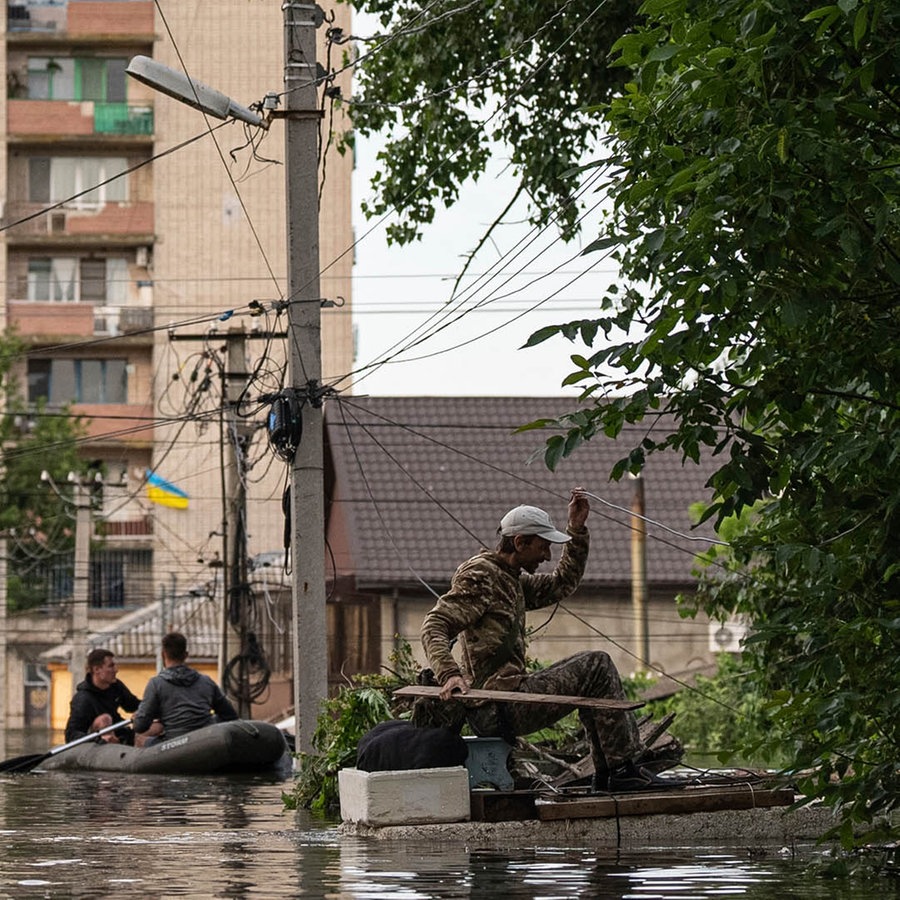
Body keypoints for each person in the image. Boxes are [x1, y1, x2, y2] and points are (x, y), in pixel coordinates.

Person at [420, 488, 674, 792]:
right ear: (520, 542)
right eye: (542, 547)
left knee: (593, 674)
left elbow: (560, 583)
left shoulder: (510, 578)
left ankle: (610, 773)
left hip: (507, 699)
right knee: (597, 666)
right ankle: (621, 769)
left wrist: (576, 530)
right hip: (497, 706)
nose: (547, 555)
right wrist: (449, 674)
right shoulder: (482, 575)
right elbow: (434, 624)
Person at [132, 632, 238, 746]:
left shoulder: (156, 684)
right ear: (186, 655)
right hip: (205, 740)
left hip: (172, 745)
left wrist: (138, 718)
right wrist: (210, 722)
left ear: (163, 655)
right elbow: (230, 715)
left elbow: (140, 726)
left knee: (140, 738)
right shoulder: (206, 681)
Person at [65, 648, 140, 745]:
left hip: (118, 731)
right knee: (104, 719)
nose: (116, 670)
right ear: (96, 670)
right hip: (95, 743)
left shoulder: (116, 686)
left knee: (150, 726)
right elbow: (71, 735)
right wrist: (97, 740)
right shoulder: (83, 699)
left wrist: (147, 708)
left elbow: (133, 705)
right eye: (111, 666)